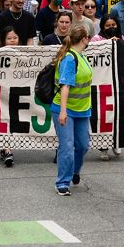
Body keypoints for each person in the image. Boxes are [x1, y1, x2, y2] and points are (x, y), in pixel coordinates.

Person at [52, 24, 93, 196]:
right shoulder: (70, 59)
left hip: (82, 109)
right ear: (84, 39)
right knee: (67, 147)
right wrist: (63, 111)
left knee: (83, 145)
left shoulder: (81, 56)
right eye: (88, 37)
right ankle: (62, 182)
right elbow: (65, 86)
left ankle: (74, 170)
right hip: (66, 110)